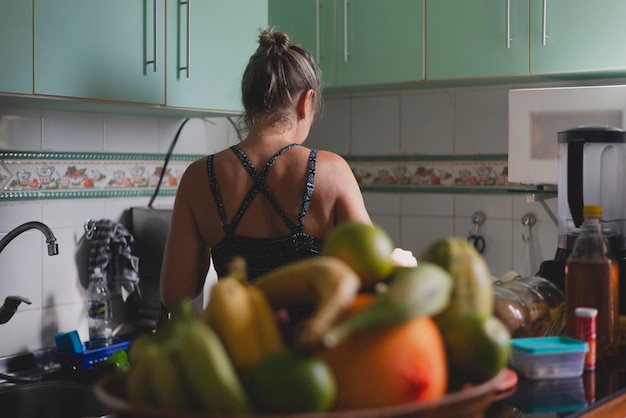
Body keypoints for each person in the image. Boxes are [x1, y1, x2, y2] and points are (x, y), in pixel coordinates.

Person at [160, 28, 414, 312]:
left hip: (238, 351)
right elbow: (373, 271)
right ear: (306, 102)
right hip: (315, 349)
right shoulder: (330, 171)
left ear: (247, 102)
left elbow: (175, 296)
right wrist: (400, 262)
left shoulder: (199, 177)